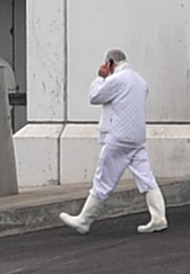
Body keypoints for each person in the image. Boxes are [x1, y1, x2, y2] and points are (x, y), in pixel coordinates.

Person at [61, 49, 165, 234]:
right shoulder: (140, 81)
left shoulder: (116, 79)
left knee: (103, 179)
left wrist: (100, 77)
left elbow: (95, 97)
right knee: (147, 178)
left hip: (119, 136)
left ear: (110, 63)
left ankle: (84, 220)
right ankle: (158, 217)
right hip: (137, 137)